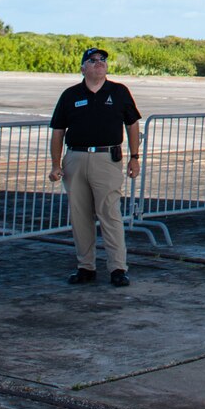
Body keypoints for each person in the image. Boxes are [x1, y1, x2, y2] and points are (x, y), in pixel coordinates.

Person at [48, 47, 141, 287]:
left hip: (106, 159)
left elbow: (132, 125)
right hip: (76, 159)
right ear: (82, 68)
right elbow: (58, 131)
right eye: (93, 60)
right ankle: (85, 267)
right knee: (80, 216)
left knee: (110, 213)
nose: (99, 63)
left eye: (103, 60)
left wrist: (134, 156)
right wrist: (56, 164)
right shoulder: (70, 95)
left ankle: (118, 268)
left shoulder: (119, 92)